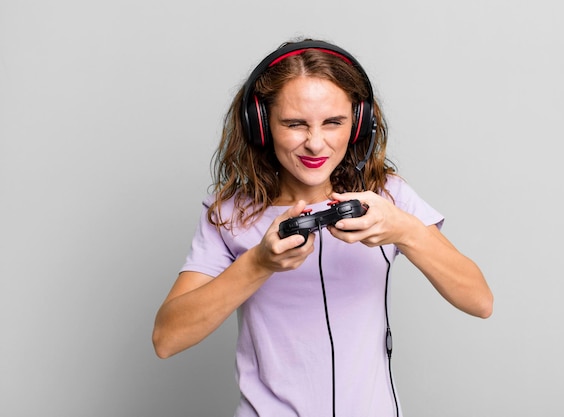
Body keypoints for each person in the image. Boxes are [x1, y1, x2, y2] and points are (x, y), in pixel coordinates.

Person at [152, 39, 493, 417]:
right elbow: (167, 338)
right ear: (261, 127)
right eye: (295, 124)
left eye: (333, 122)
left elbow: (479, 301)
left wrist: (405, 231)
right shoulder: (230, 214)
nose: (315, 144)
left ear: (358, 122)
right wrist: (259, 263)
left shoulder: (388, 198)